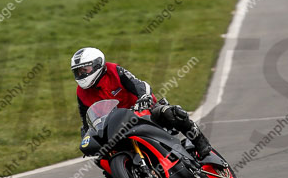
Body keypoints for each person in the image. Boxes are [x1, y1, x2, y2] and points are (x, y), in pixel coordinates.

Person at [71, 46, 211, 161]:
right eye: (78, 72)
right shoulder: (81, 92)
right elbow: (86, 118)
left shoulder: (114, 71)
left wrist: (143, 97)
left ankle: (200, 143)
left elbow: (138, 84)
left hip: (141, 111)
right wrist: (86, 135)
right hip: (114, 128)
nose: (81, 75)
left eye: (85, 69)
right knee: (101, 158)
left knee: (172, 113)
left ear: (97, 64)